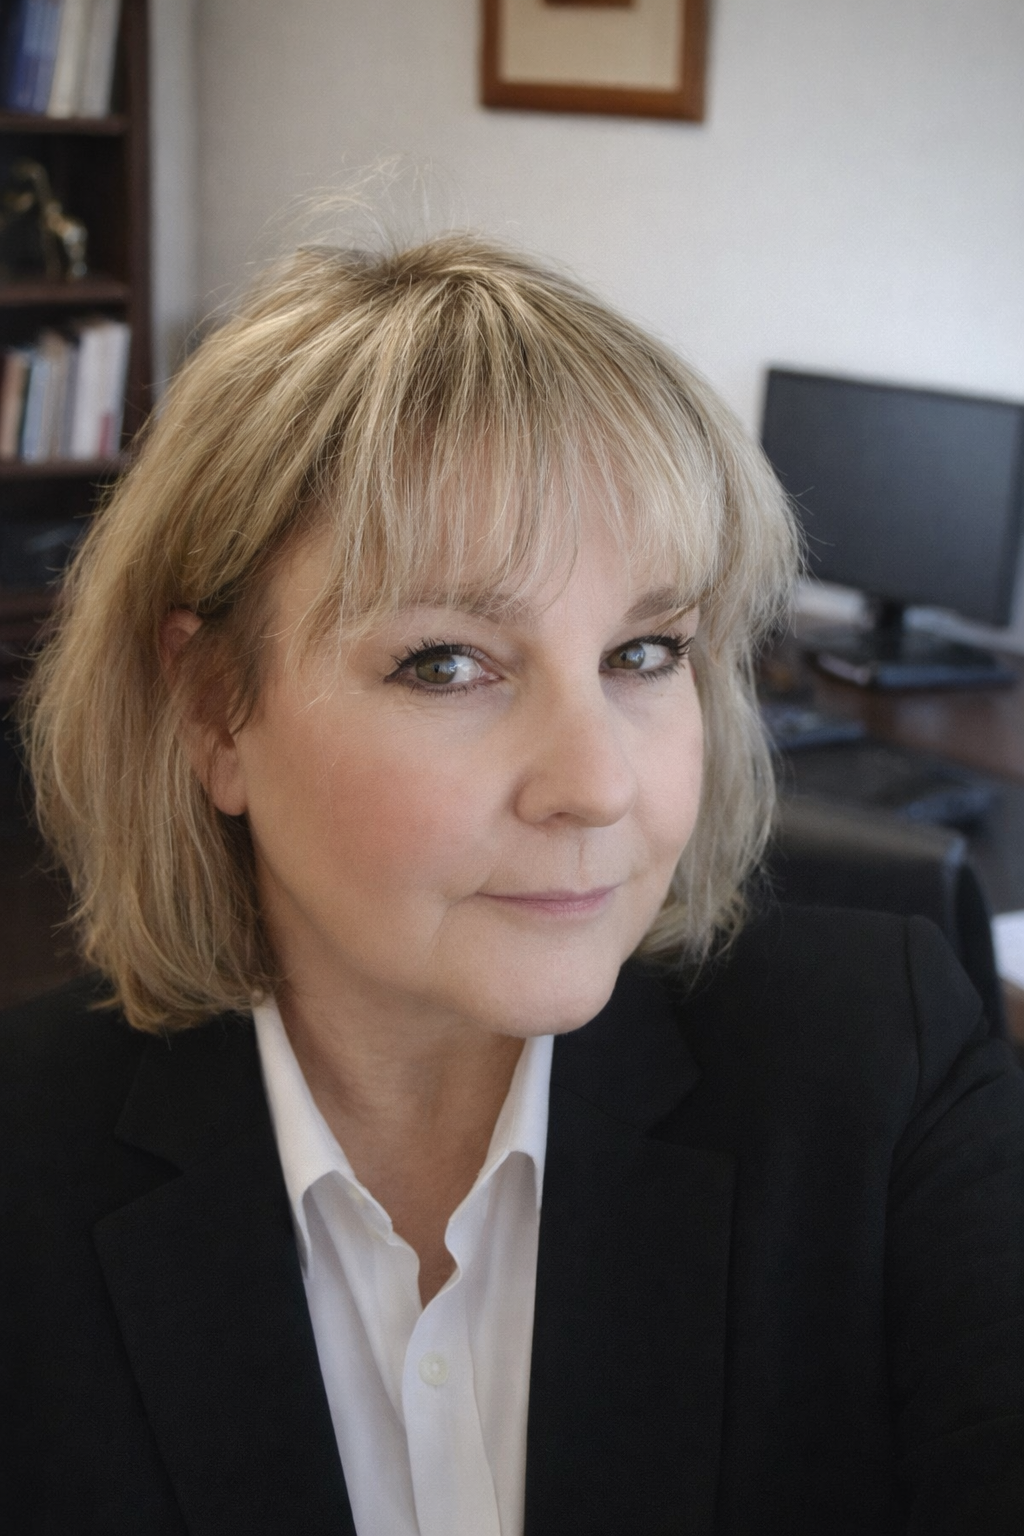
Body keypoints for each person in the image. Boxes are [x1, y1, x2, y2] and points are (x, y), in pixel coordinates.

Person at [1, 236, 1022, 1536]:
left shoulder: (886, 1071)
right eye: (447, 663)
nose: (596, 785)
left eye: (644, 652)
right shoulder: (25, 1169)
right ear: (214, 712)